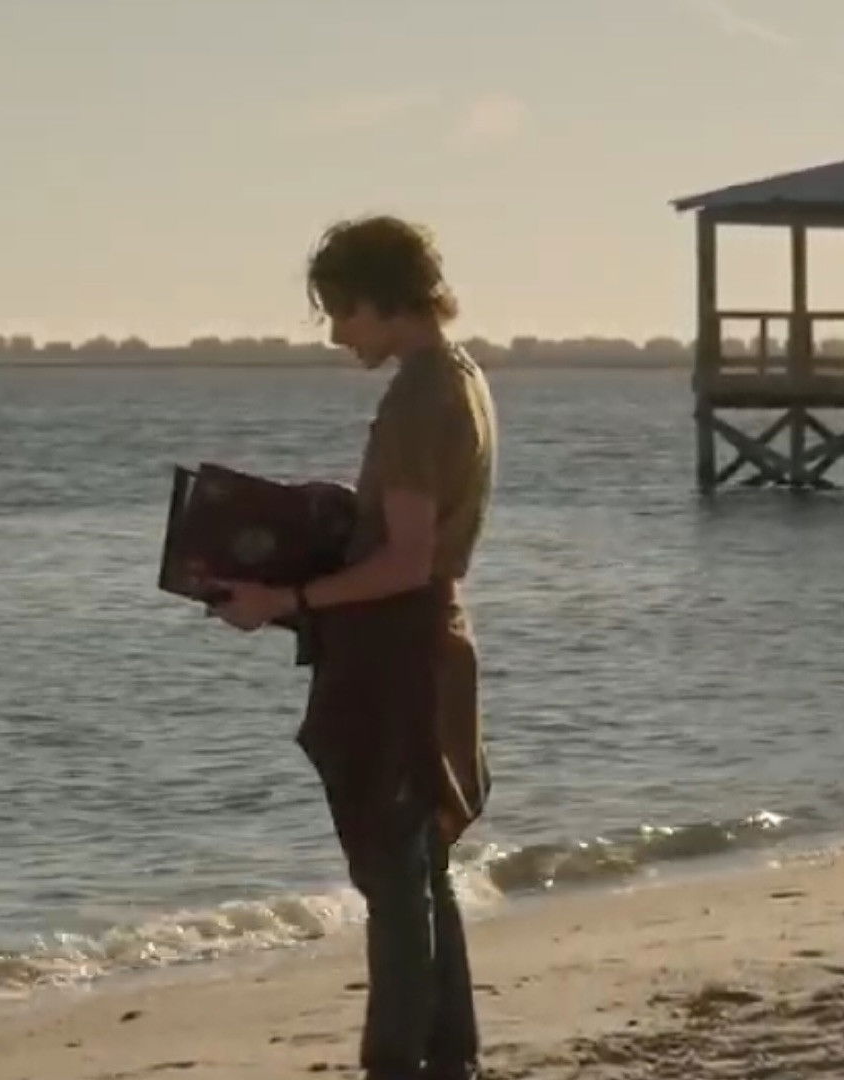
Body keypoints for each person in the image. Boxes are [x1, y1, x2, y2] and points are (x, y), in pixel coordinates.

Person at [204, 215, 496, 1080]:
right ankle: (451, 1056)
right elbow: (414, 546)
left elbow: (405, 561)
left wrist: (284, 599)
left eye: (341, 312)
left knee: (392, 875)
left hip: (395, 655)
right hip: (433, 639)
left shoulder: (418, 398)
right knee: (422, 867)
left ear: (382, 299)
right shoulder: (462, 374)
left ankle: (397, 1062)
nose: (337, 334)